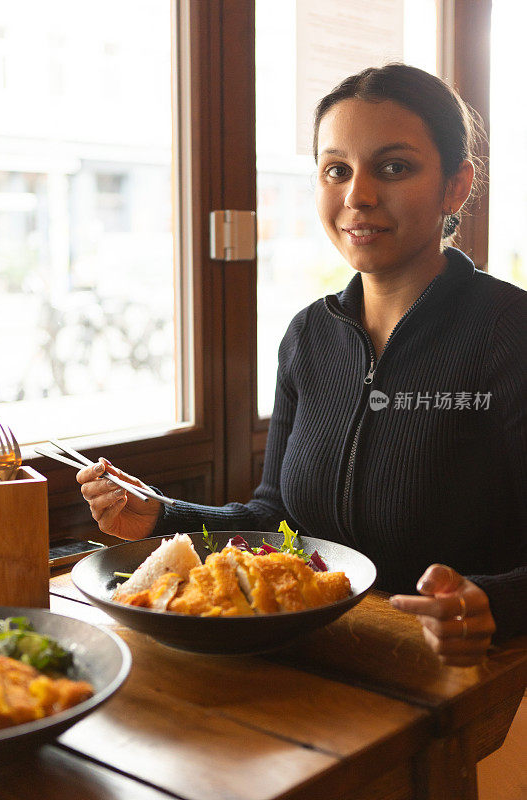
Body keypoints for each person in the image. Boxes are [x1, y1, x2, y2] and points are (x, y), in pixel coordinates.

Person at [77, 64, 527, 666]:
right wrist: (163, 513)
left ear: (456, 186)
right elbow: (279, 518)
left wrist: (491, 604)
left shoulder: (509, 331)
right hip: (304, 662)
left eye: (393, 167)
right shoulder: (310, 336)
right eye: (336, 170)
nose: (357, 196)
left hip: (451, 678)